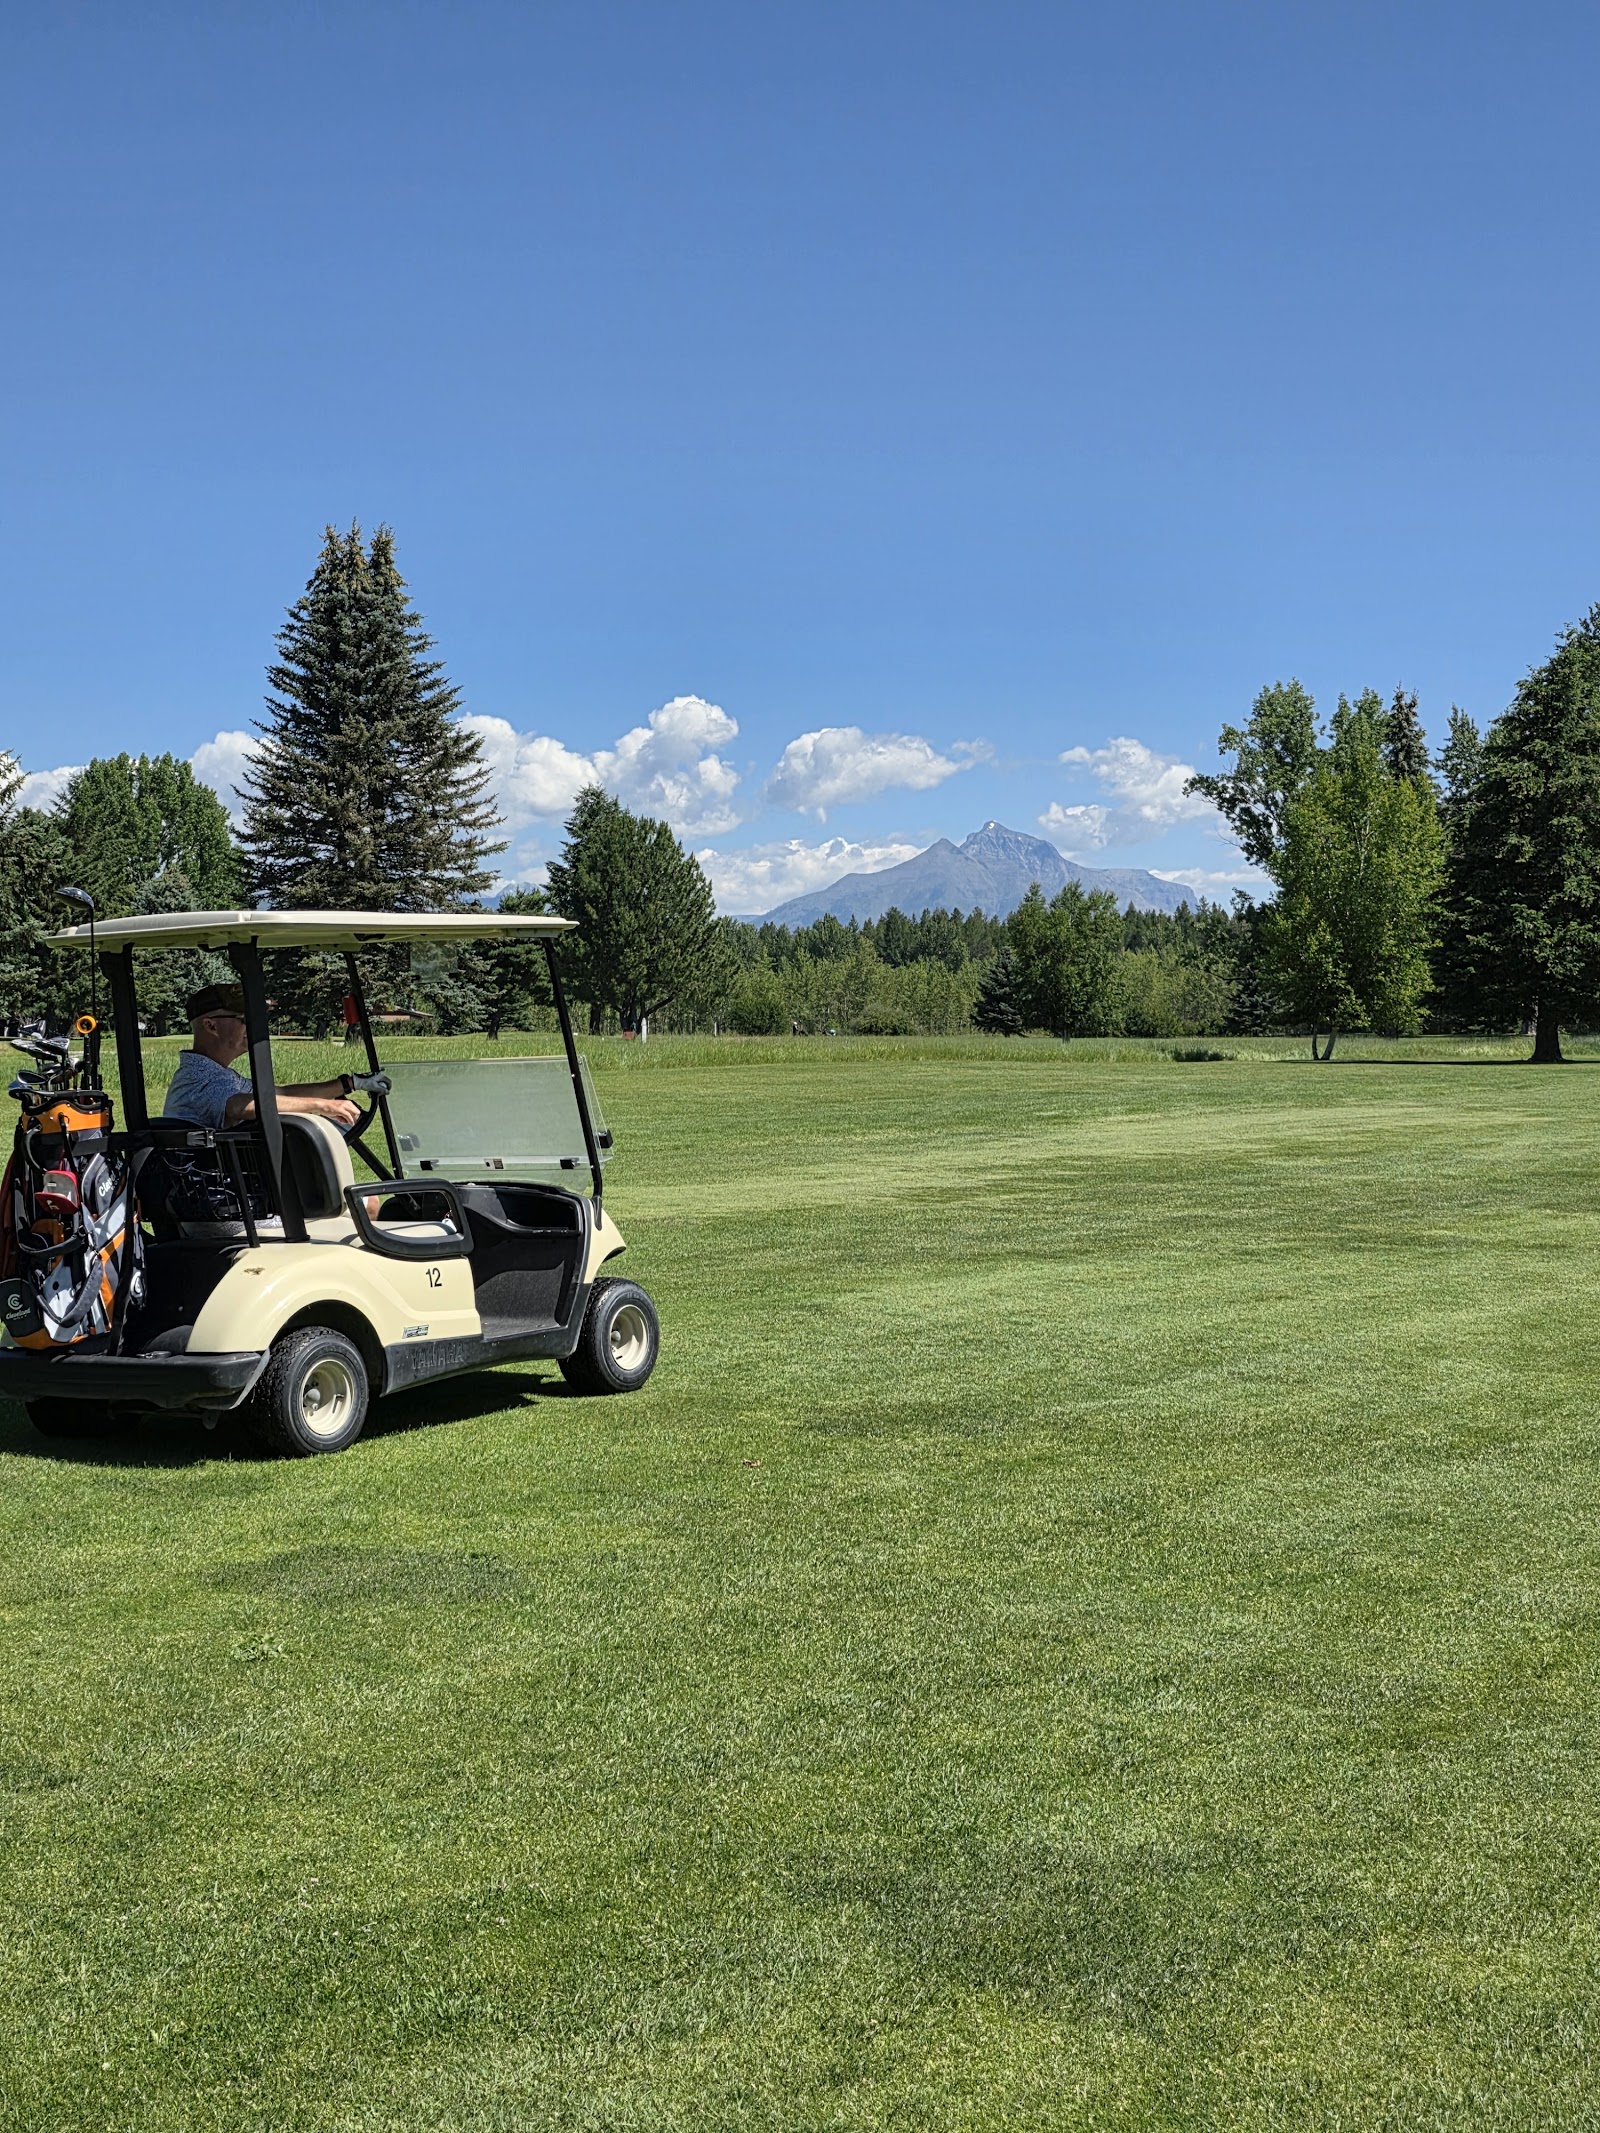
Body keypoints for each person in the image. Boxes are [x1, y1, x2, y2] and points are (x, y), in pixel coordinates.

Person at [163, 984, 368, 1132]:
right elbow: (240, 1106)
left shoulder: (216, 1073)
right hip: (210, 1187)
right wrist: (324, 1106)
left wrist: (349, 1083)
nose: (252, 1027)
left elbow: (277, 1094)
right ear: (211, 1026)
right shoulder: (198, 1078)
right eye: (244, 1019)